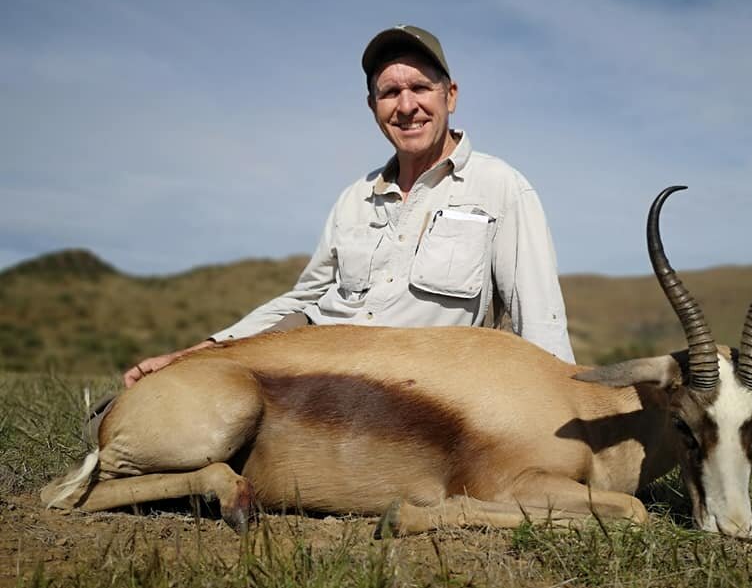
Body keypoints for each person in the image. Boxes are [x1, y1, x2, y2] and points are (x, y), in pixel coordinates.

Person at [124, 24, 574, 388]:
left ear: (450, 96)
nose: (406, 106)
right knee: (129, 408)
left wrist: (570, 419)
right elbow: (305, 301)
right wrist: (197, 353)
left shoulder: (501, 187)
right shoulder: (355, 198)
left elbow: (541, 320)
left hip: (412, 396)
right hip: (314, 370)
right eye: (389, 93)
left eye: (420, 87)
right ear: (372, 106)